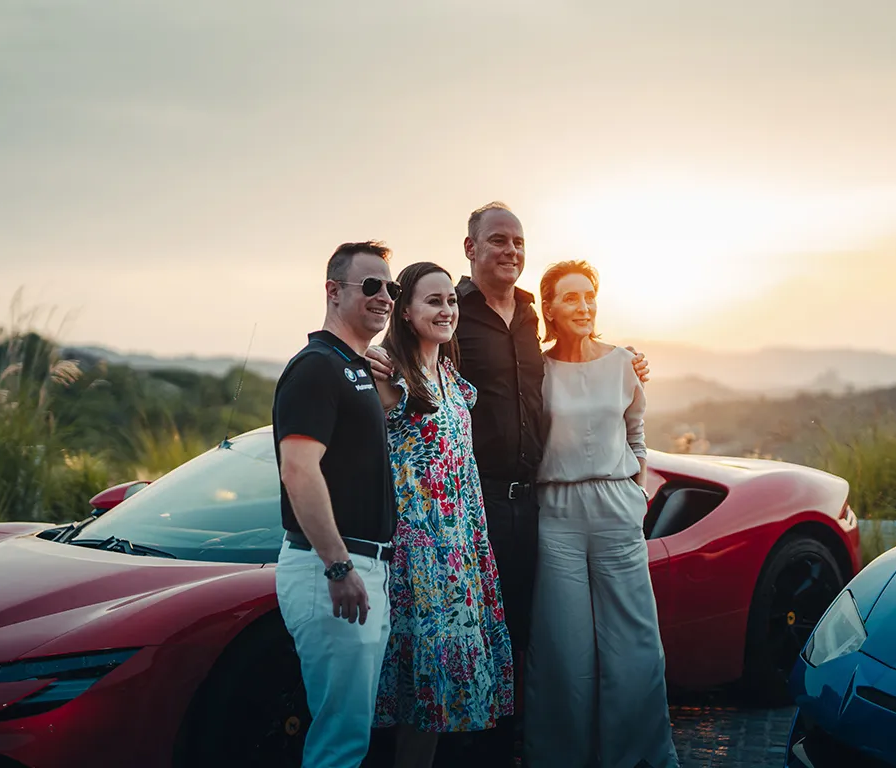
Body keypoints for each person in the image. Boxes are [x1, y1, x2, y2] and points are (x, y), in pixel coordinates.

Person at [368, 202, 649, 765]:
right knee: (461, 635)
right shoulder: (454, 312)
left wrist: (624, 361)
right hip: (474, 502)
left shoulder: (527, 316)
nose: (511, 252)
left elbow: (571, 365)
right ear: (470, 248)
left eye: (518, 242)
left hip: (537, 503)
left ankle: (509, 750)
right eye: (498, 240)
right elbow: (414, 357)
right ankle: (460, 755)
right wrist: (382, 359)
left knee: (518, 634)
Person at [523, 260, 678, 768]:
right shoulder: (536, 371)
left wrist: (638, 493)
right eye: (570, 298)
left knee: (634, 643)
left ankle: (636, 758)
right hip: (557, 514)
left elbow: (636, 433)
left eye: (589, 296)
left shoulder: (623, 363)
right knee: (563, 652)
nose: (583, 306)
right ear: (549, 307)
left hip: (617, 509)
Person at [372, 261, 514, 768]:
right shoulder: (387, 376)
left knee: (439, 699)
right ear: (405, 312)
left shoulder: (451, 375)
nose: (446, 309)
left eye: (450, 300)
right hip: (416, 553)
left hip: (461, 546)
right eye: (433, 301)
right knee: (415, 690)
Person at [272, 241, 400, 768]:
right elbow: (299, 470)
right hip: (332, 569)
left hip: (365, 567)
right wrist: (339, 564)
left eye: (390, 287)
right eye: (371, 285)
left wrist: (388, 391)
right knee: (340, 742)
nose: (385, 297)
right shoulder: (317, 368)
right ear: (333, 291)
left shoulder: (356, 368)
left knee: (351, 732)